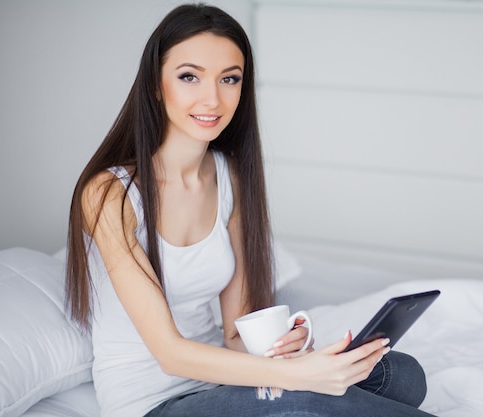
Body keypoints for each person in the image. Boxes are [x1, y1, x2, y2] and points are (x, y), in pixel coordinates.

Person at [65, 3, 434, 417]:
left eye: (229, 79)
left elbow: (237, 334)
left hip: (228, 379)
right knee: (309, 400)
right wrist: (303, 379)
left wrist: (287, 349)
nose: (213, 98)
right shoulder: (108, 193)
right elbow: (170, 355)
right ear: (155, 84)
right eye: (190, 76)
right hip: (155, 402)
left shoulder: (228, 177)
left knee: (403, 375)